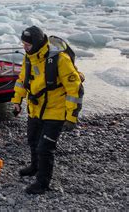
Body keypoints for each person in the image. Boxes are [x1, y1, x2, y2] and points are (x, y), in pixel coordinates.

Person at [12, 26, 83, 195]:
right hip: (35, 109)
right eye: (23, 44)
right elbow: (22, 80)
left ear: (36, 43)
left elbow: (75, 89)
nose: (24, 48)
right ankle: (35, 167)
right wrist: (16, 101)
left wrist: (72, 117)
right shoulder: (29, 58)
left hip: (56, 112)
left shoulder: (59, 59)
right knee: (32, 140)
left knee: (45, 148)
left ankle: (43, 183)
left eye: (27, 45)